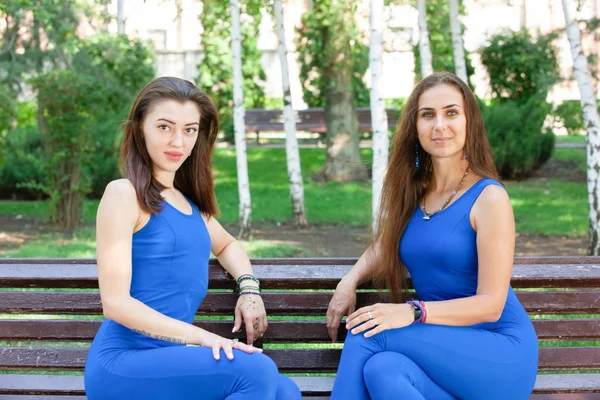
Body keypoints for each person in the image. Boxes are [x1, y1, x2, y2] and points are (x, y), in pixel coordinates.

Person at [84, 77, 301, 400]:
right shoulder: (123, 194)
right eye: (164, 127)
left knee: (286, 392)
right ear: (140, 128)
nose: (178, 142)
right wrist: (202, 338)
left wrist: (249, 288)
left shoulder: (190, 207)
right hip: (123, 364)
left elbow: (228, 245)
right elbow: (115, 304)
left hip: (170, 363)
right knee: (259, 372)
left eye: (189, 130)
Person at [326, 72, 538, 400]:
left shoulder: (489, 197)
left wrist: (412, 311)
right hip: (443, 347)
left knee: (367, 333)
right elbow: (388, 242)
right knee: (383, 369)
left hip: (498, 351)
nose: (439, 125)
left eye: (451, 112)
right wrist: (349, 281)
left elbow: (492, 305)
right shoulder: (418, 192)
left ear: (470, 123)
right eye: (428, 115)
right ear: (415, 127)